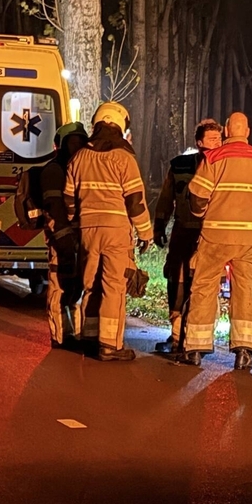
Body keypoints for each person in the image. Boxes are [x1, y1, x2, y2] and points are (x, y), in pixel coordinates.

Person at [176, 112, 252, 370]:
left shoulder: (213, 158)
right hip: (247, 238)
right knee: (245, 292)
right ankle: (244, 350)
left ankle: (195, 349)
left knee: (203, 289)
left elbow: (198, 195)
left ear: (226, 130)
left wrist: (203, 214)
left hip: (214, 236)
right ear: (247, 131)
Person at [64, 102, 154, 361]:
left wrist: (74, 224)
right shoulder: (123, 157)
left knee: (90, 283)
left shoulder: (79, 157)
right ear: (120, 125)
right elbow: (135, 201)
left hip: (87, 231)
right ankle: (110, 345)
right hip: (116, 231)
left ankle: (90, 338)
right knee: (114, 286)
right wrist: (146, 233)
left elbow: (69, 200)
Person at [153, 119, 224, 353]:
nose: (216, 143)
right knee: (177, 281)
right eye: (211, 139)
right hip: (184, 230)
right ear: (199, 142)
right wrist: (159, 225)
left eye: (219, 139)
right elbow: (166, 198)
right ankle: (176, 336)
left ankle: (197, 336)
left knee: (204, 284)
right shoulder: (180, 165)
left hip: (211, 233)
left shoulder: (226, 166)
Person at [41, 122, 88, 350]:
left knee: (76, 288)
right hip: (61, 238)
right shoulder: (54, 170)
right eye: (73, 142)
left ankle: (76, 336)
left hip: (80, 237)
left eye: (81, 142)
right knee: (59, 286)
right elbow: (54, 208)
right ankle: (60, 337)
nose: (77, 146)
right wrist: (63, 238)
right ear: (61, 145)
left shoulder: (81, 167)